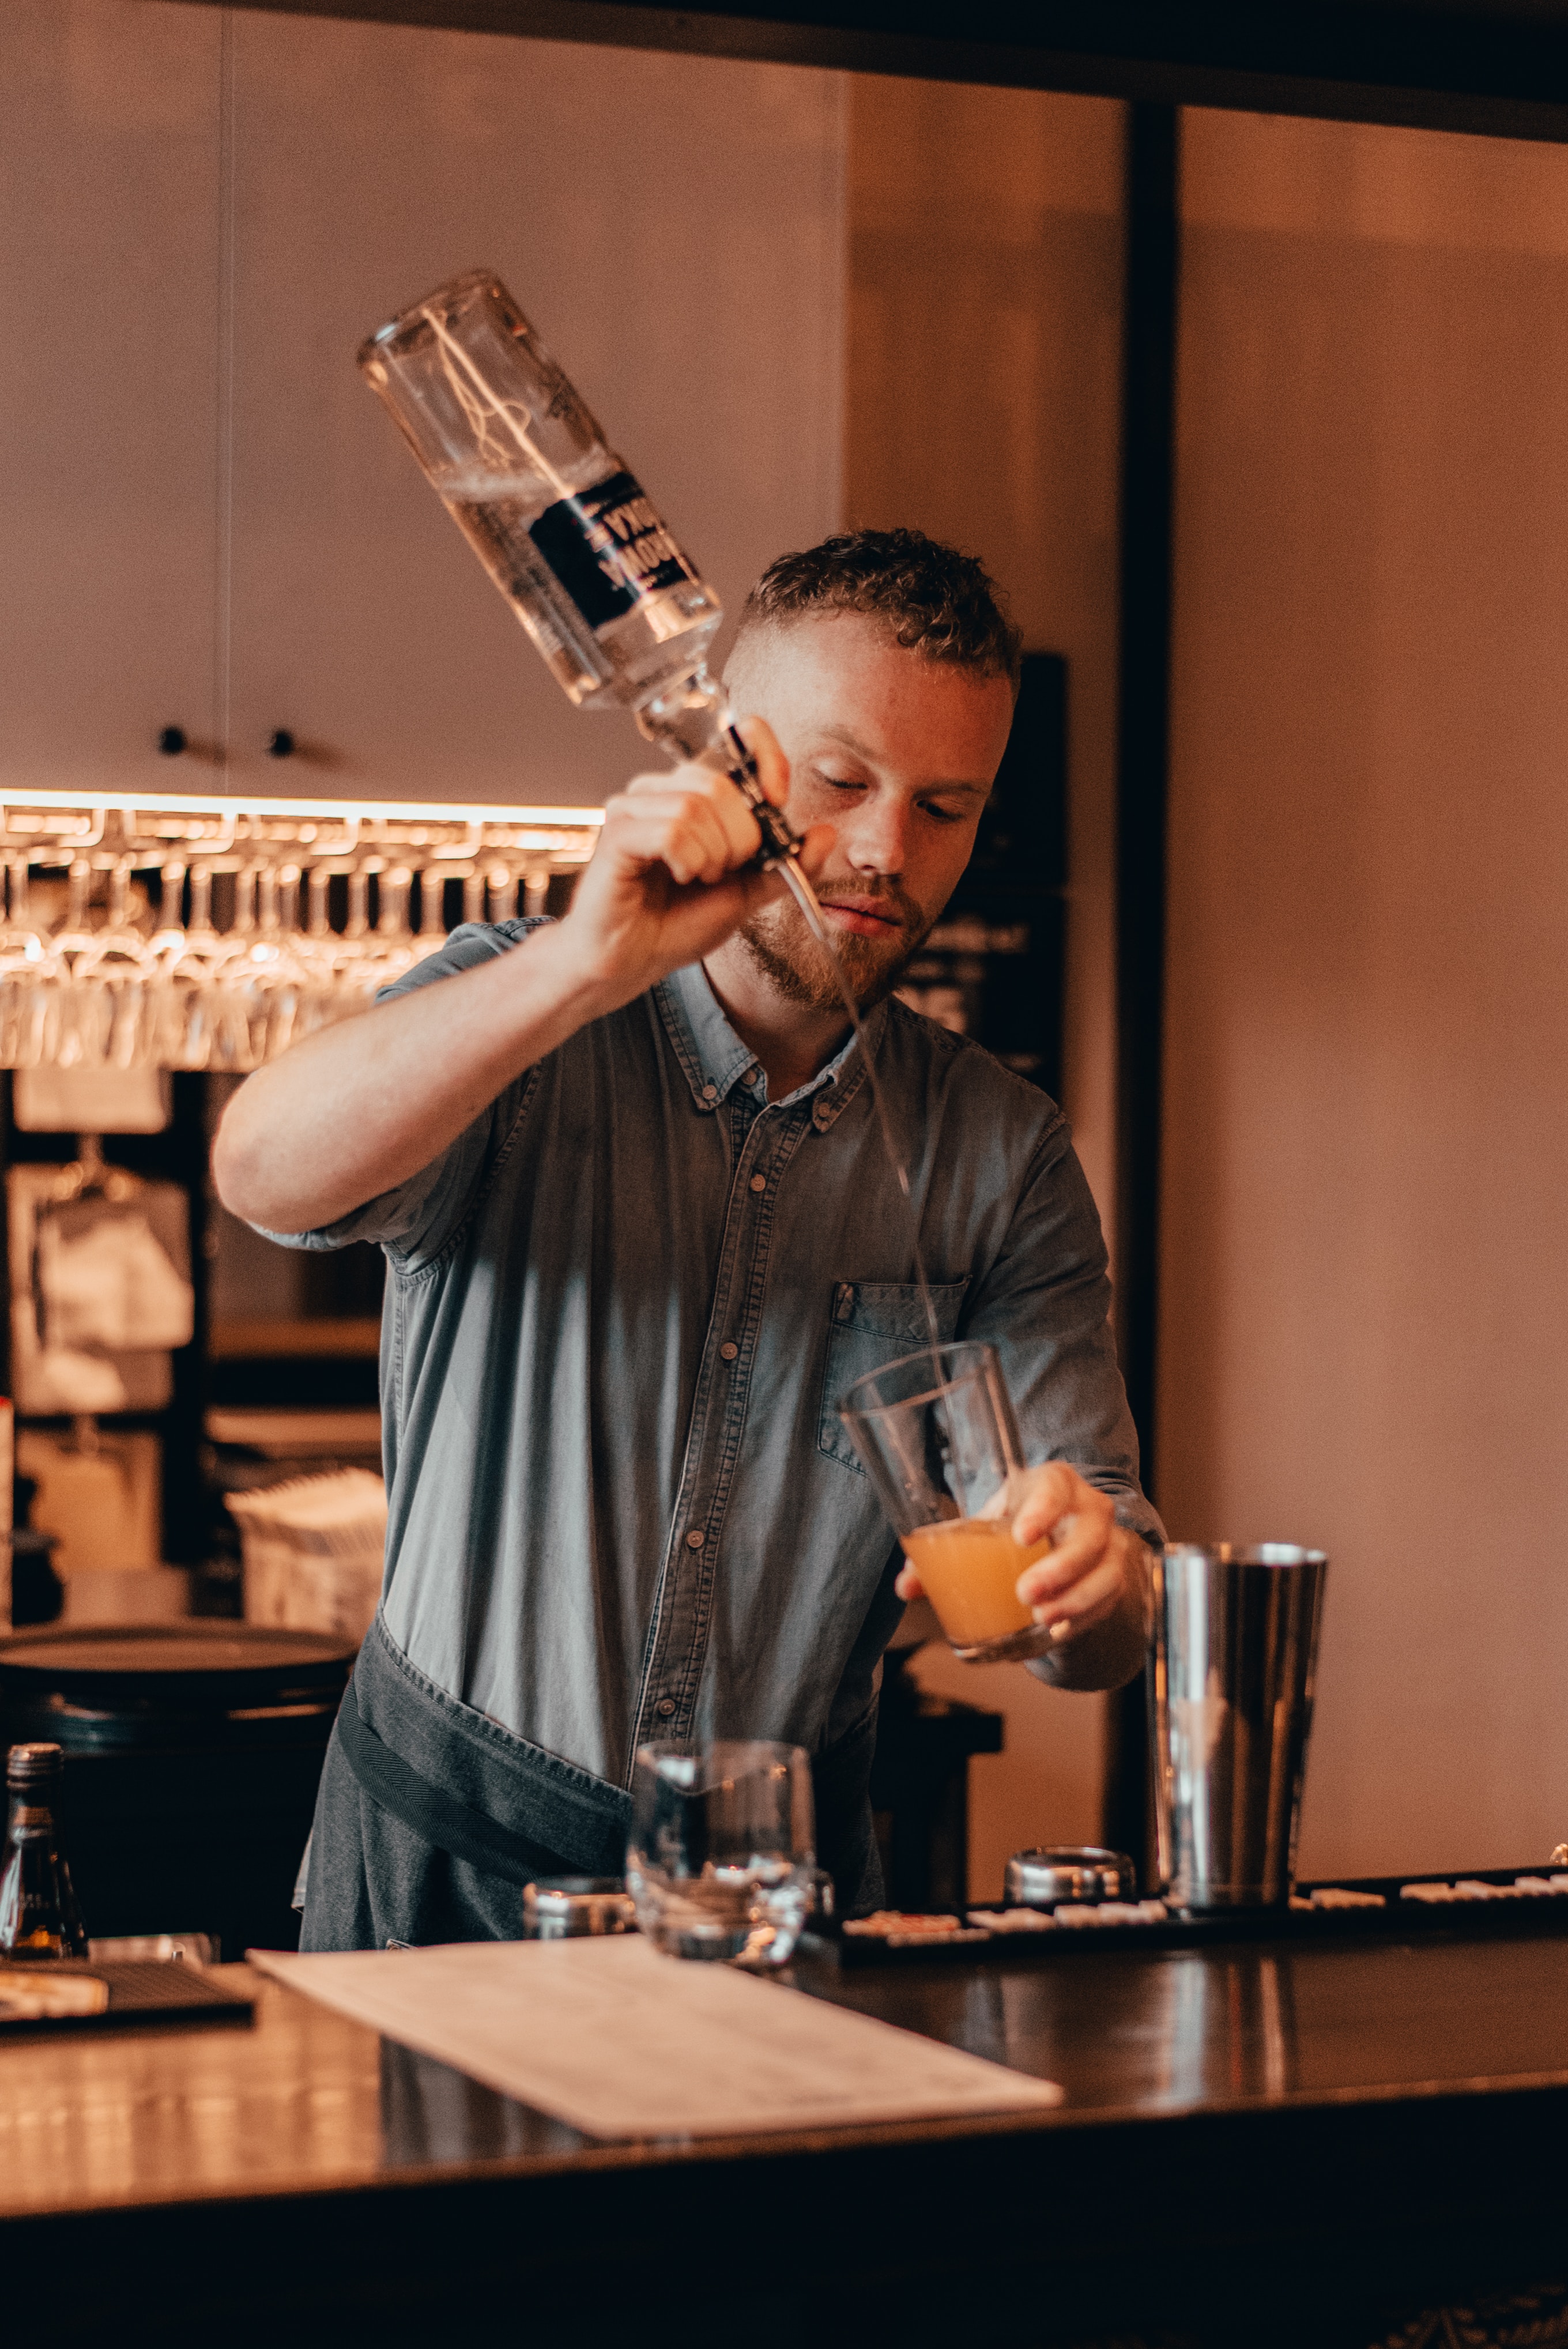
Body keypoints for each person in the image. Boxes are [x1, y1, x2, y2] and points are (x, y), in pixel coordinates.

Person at [214, 528, 1163, 1950]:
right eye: (841, 782)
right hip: (439, 1878)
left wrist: (1092, 1581)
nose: (884, 853)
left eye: (946, 806)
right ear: (734, 757)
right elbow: (261, 1171)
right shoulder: (527, 1009)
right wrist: (581, 965)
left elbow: (1107, 1629)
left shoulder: (1001, 1154)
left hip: (778, 1901)